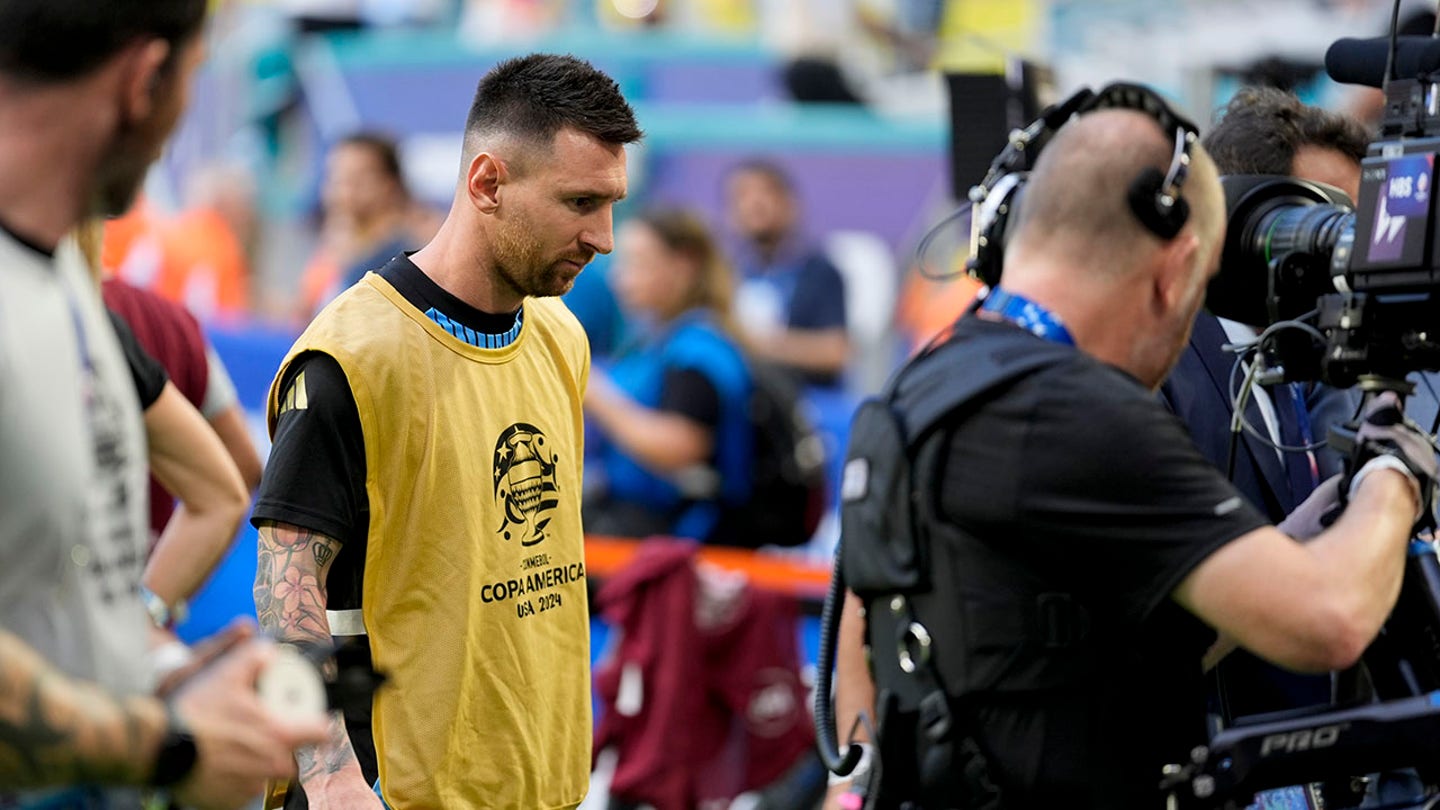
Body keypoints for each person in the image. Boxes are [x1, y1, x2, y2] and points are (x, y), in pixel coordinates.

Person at [827, 101, 1433, 808]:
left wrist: (1285, 543)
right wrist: (1396, 472)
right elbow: (1329, 621)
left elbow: (1071, 648)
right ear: (1178, 271)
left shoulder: (925, 385)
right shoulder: (1082, 412)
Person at [251, 53, 641, 809]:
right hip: (388, 787)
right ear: (487, 183)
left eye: (613, 203)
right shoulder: (354, 356)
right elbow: (284, 587)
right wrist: (329, 778)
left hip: (542, 785)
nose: (606, 237)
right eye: (581, 202)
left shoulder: (561, 338)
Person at [0, 2, 326, 808]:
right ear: (145, 81)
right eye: (190, 80)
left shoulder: (67, 282)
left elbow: (53, 591)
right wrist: (172, 744)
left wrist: (168, 674)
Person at [1160, 87, 1371, 720]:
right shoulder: (1160, 366)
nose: (1347, 263)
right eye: (1325, 227)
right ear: (1239, 218)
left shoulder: (1307, 363)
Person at [584, 209, 754, 544]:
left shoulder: (701, 351)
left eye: (637, 264)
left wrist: (593, 391)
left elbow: (679, 448)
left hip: (676, 537)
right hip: (629, 521)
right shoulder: (655, 340)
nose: (620, 278)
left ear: (684, 264)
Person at [726, 159, 850, 386]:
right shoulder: (726, 274)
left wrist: (757, 344)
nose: (754, 203)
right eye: (742, 196)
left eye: (766, 192)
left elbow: (835, 352)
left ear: (790, 204)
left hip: (803, 398)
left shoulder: (820, 272)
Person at [296, 132, 437, 319]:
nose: (342, 190)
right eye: (335, 179)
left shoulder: (406, 252)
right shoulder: (335, 248)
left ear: (389, 184)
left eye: (357, 179)